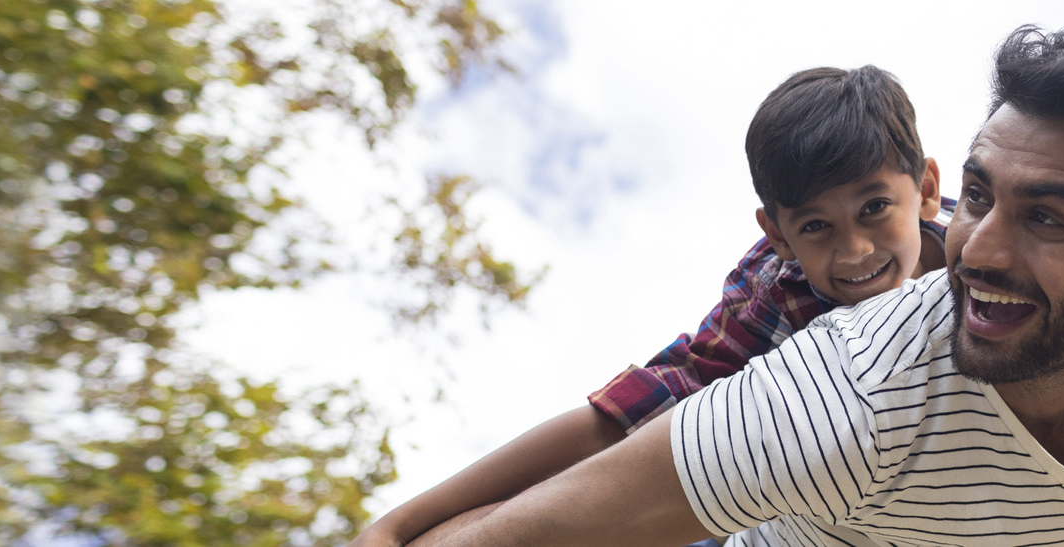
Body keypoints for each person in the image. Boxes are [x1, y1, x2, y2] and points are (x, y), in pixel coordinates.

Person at [404, 25, 1064, 547]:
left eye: (1047, 216)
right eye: (983, 196)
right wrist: (399, 528)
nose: (982, 249)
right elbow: (572, 474)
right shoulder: (836, 390)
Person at [352, 65, 952, 546]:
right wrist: (397, 524)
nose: (853, 250)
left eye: (874, 207)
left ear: (924, 191)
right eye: (817, 225)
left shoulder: (989, 255)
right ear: (779, 236)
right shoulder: (778, 291)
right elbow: (630, 414)